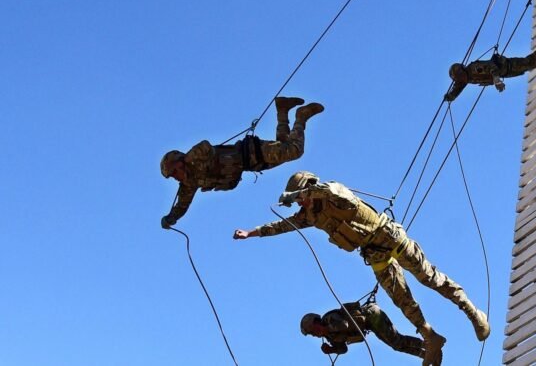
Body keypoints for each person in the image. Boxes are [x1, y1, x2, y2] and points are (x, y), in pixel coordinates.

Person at [233, 171, 490, 366]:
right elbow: (281, 226)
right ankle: (430, 336)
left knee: (430, 279)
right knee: (403, 300)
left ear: (310, 189)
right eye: (299, 200)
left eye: (302, 197)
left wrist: (308, 192)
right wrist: (251, 233)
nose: (301, 203)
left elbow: (334, 191)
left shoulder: (334, 193)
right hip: (374, 253)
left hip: (389, 237)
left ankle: (472, 313)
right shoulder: (309, 216)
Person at [159, 97, 323, 229]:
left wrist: (188, 158)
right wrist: (170, 218)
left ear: (179, 162)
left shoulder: (194, 158)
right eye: (171, 176)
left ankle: (301, 116)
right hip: (252, 163)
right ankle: (282, 110)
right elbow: (182, 206)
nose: (174, 177)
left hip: (251, 151)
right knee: (285, 150)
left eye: (173, 172)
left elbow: (205, 146)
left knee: (294, 151)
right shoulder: (189, 183)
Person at [444, 39, 536, 102]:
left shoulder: (474, 69)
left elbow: (492, 67)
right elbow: (457, 88)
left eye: (460, 78)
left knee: (527, 63)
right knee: (526, 68)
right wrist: (451, 96)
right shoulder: (466, 79)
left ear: (462, 71)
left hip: (506, 66)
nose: (461, 81)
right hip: (505, 72)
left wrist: (497, 81)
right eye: (459, 80)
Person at [300, 301, 425, 360]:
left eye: (312, 331)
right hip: (370, 324)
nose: (314, 335)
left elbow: (345, 324)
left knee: (397, 341)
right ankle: (427, 354)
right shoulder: (330, 337)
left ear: (315, 323)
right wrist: (332, 350)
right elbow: (343, 349)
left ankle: (428, 345)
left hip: (371, 315)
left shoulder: (329, 319)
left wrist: (326, 329)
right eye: (312, 334)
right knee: (397, 345)